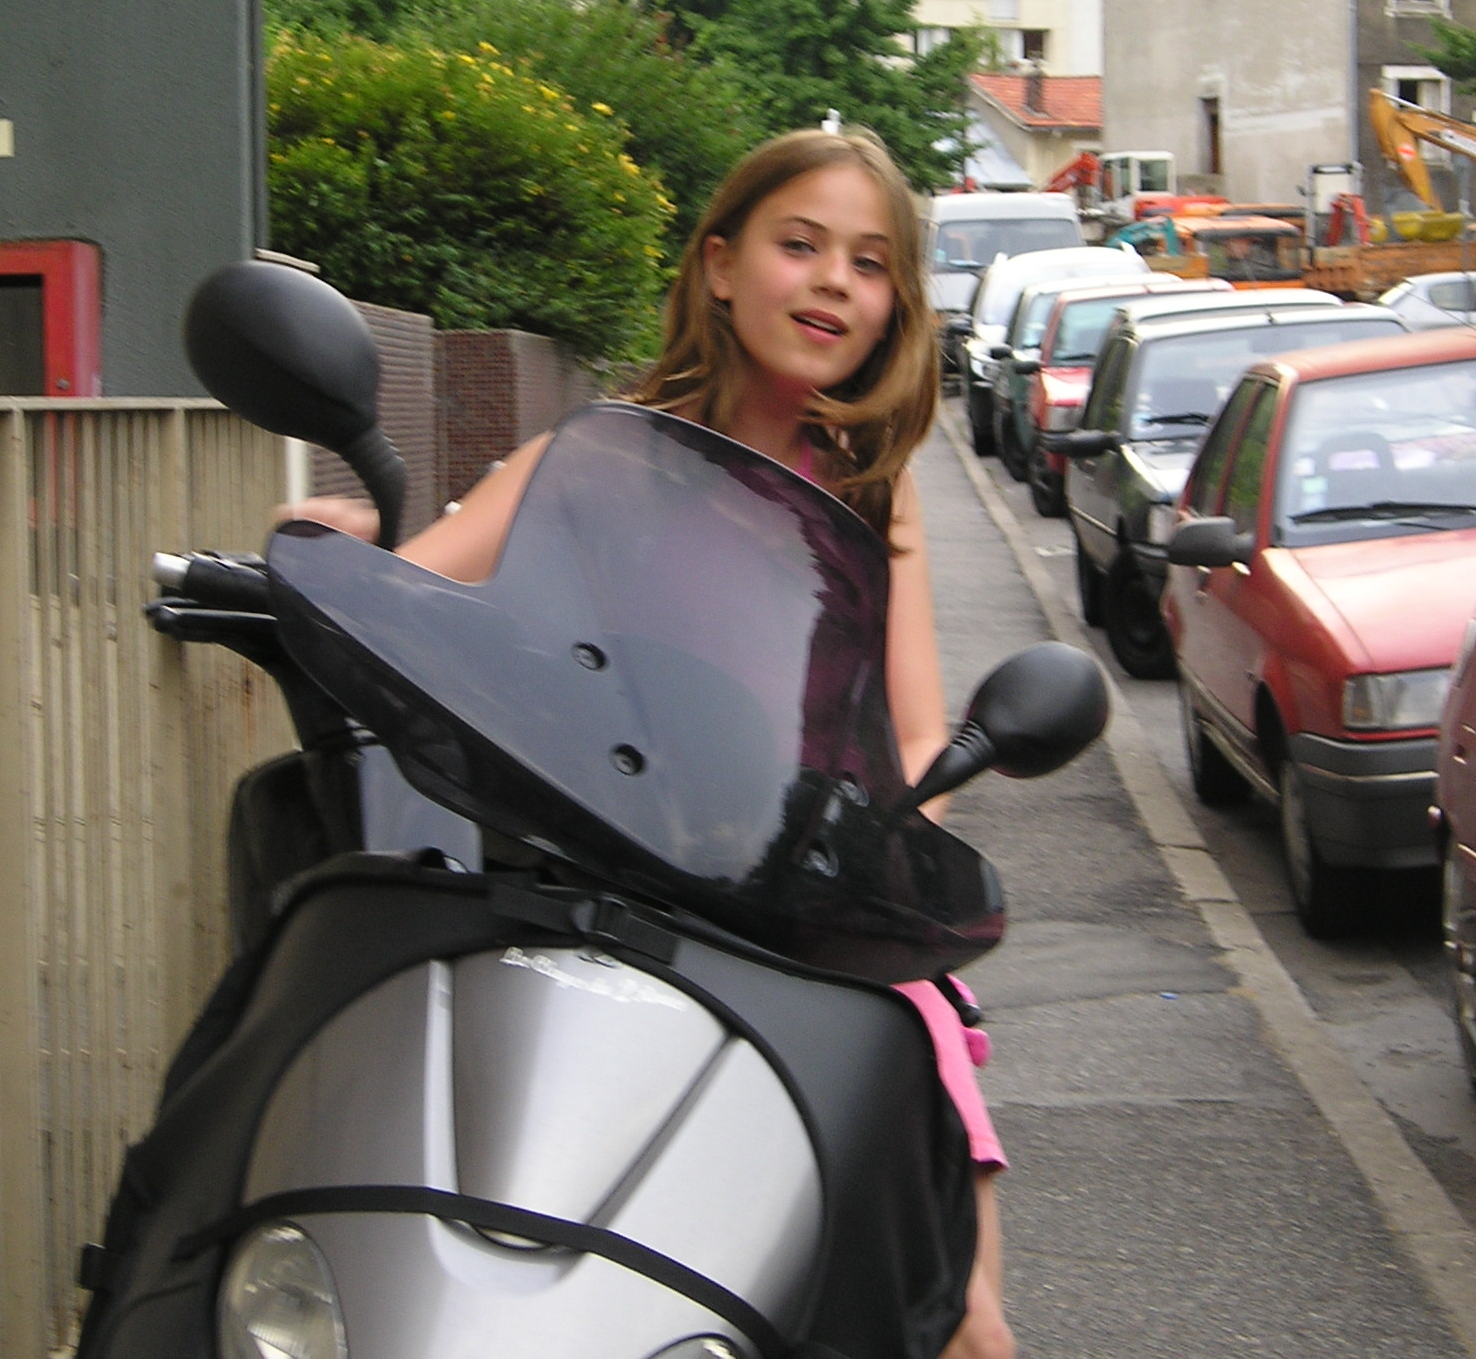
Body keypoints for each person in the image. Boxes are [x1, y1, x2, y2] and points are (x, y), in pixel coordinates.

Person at [284, 127, 1017, 1359]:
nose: (833, 281)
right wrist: (340, 556)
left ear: (895, 305)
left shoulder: (865, 491)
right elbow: (423, 604)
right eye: (799, 245)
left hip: (801, 914)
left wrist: (891, 850)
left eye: (869, 263)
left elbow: (912, 727)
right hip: (605, 885)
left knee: (962, 1311)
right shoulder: (602, 457)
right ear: (718, 266)